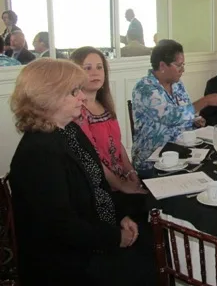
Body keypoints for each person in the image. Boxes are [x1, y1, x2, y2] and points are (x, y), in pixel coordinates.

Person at [9, 59, 156, 285]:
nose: (83, 97)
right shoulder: (38, 153)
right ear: (47, 97)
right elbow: (62, 226)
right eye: (74, 92)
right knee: (152, 264)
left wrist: (119, 216)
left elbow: (97, 187)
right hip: (67, 263)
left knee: (153, 240)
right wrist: (115, 236)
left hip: (92, 235)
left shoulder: (68, 130)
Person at [131, 39, 217, 175]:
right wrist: (205, 101)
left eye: (183, 65)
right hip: (154, 160)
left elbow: (184, 110)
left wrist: (194, 120)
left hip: (182, 153)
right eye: (179, 65)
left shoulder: (177, 84)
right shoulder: (145, 88)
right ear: (162, 65)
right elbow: (170, 116)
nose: (183, 70)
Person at [71, 47, 145, 194]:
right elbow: (91, 158)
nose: (95, 73)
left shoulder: (104, 105)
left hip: (120, 179)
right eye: (88, 68)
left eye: (99, 67)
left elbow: (117, 144)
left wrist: (130, 172)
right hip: (100, 188)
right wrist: (121, 185)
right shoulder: (77, 112)